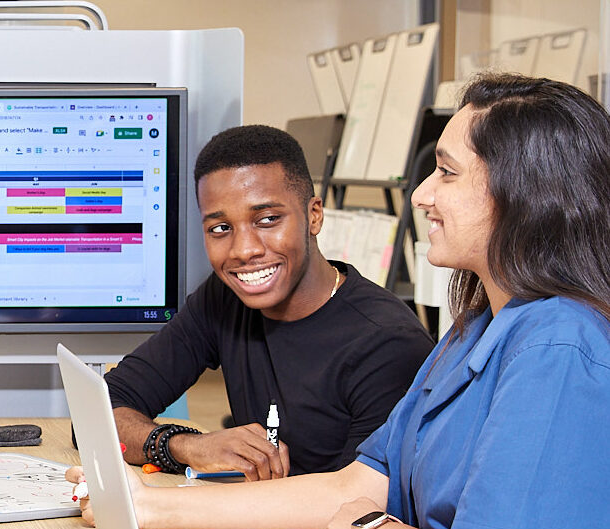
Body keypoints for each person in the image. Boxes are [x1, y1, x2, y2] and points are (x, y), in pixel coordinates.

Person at [79, 74, 610, 529]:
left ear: (522, 192)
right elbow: (358, 482)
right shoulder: (475, 330)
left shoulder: (557, 344)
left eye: (446, 173)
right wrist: (146, 506)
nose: (421, 194)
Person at [104, 124, 433, 479]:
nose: (244, 250)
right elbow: (101, 411)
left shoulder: (387, 343)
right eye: (220, 228)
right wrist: (186, 446)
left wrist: (157, 509)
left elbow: (358, 501)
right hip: (255, 526)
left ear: (314, 216)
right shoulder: (223, 298)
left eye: (267, 220)